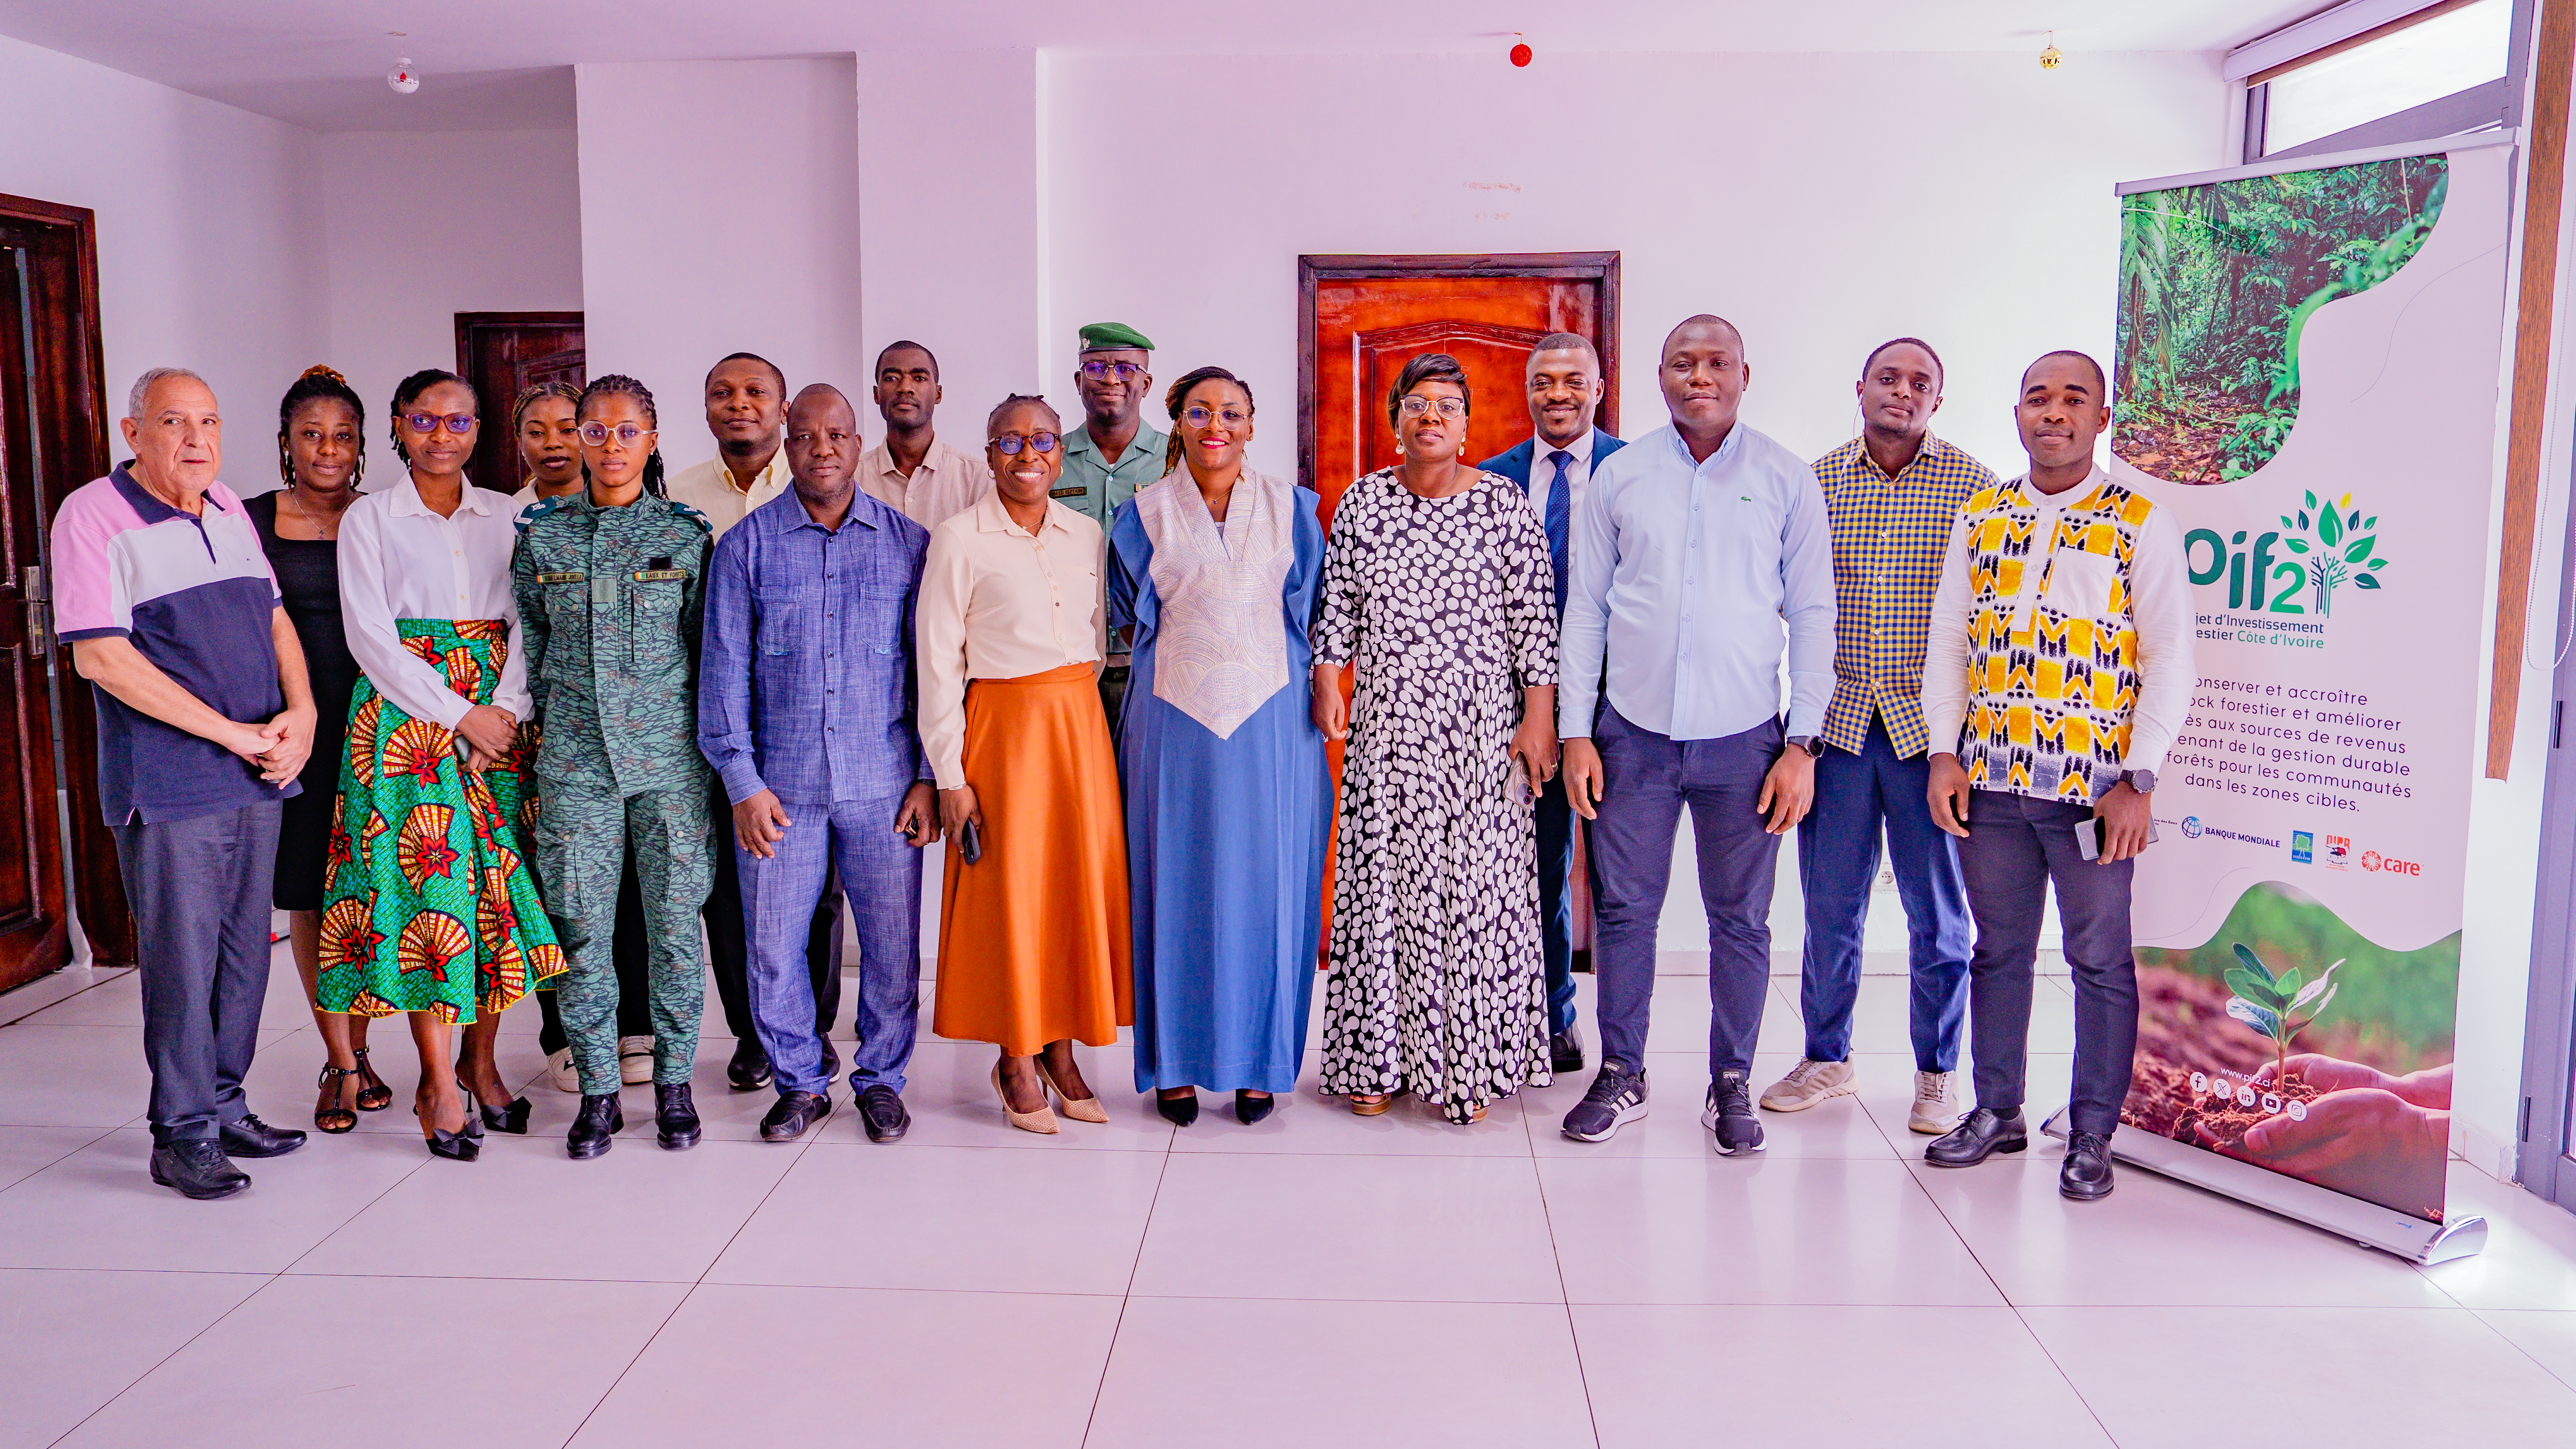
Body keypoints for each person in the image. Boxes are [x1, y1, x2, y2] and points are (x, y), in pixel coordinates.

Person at [1556, 315, 1835, 1154]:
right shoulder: (1622, 477)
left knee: (1741, 919)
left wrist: (1803, 743)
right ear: (1660, 375)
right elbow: (1585, 611)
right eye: (1684, 363)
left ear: (1746, 373)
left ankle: (1732, 1082)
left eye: (1717, 363)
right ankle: (1623, 1073)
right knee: (1624, 910)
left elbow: (1815, 615)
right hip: (1630, 736)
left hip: (1747, 739)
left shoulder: (1787, 478)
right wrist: (1577, 732)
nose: (1700, 376)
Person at [1921, 349, 2192, 1201]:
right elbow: (1952, 644)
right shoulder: (1983, 515)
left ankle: (2092, 1132)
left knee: (2099, 960)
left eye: (2074, 399)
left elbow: (2170, 656)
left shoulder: (2138, 520)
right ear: (2017, 414)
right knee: (1997, 952)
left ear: (2101, 418)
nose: (2054, 412)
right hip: (1994, 783)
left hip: (2096, 792)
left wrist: (2139, 778)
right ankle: (1997, 1109)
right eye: (2038, 397)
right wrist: (1942, 752)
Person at [53, 368, 316, 1198]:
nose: (197, 439)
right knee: (183, 957)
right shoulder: (91, 515)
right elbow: (101, 657)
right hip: (171, 781)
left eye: (209, 420)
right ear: (134, 434)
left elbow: (275, 617)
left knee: (245, 951)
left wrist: (302, 713)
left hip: (259, 767)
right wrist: (233, 733)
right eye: (174, 422)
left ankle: (228, 1104)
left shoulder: (230, 505)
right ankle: (183, 1132)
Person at [316, 368, 564, 1161]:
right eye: (426, 421)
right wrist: (457, 714)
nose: (442, 436)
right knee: (432, 892)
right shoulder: (370, 519)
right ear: (399, 425)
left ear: (478, 430)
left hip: (501, 710)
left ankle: (481, 1061)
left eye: (460, 423)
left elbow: (530, 622)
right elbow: (371, 639)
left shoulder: (512, 515)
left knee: (495, 889)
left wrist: (504, 712)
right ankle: (436, 1082)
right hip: (403, 723)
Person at [1311, 352, 1558, 1125]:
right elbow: (1338, 609)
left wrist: (1540, 719)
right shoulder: (1363, 504)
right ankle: (1375, 1059)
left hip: (1483, 737)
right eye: (1417, 403)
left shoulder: (1504, 506)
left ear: (1467, 424)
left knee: (1475, 897)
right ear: (1395, 420)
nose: (1431, 417)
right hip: (1389, 733)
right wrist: (1327, 679)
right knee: (1384, 892)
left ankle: (1470, 1064)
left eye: (1447, 405)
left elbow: (1534, 625)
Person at [700, 384, 942, 1145]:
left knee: (892, 946)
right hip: (782, 790)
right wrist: (742, 784)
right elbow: (723, 675)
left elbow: (934, 672)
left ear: (857, 441)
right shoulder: (746, 547)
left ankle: (881, 1080)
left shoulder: (909, 544)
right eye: (805, 436)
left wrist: (929, 778)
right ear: (786, 441)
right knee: (773, 944)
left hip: (886, 787)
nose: (823, 448)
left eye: (836, 434)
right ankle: (799, 1080)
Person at [1764, 339, 1993, 1136]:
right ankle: (1828, 1057)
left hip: (1933, 740)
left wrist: (1962, 747)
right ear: (1861, 387)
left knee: (1940, 918)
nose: (1902, 392)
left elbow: (1986, 626)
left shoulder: (1975, 489)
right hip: (1839, 730)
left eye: (1920, 383)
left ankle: (1938, 1075)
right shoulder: (1814, 482)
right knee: (1831, 908)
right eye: (1889, 378)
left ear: (1939, 399)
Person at [1111, 367, 1328, 1127]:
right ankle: (1174, 1065)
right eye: (1200, 412)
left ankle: (1259, 1066)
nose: (1216, 426)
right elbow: (1123, 616)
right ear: (1175, 421)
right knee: (1175, 885)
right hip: (1172, 720)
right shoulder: (1141, 514)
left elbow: (1312, 614)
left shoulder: (1295, 509)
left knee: (1268, 886)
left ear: (1252, 423)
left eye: (1231, 413)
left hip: (1273, 721)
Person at [514, 375, 719, 1158]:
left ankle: (674, 1085)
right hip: (576, 764)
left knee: (672, 930)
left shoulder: (686, 534)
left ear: (653, 438)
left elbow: (706, 653)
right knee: (579, 931)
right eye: (591, 431)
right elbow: (531, 648)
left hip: (668, 764)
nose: (607, 446)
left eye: (625, 431)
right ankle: (598, 1089)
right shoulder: (544, 536)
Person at [918, 394, 1132, 1134]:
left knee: (1070, 888)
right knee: (1013, 892)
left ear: (1058, 450)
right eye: (1011, 441)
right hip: (1003, 731)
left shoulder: (1085, 533)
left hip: (1077, 725)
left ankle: (1062, 1047)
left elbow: (1099, 634)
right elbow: (939, 662)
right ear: (988, 453)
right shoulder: (959, 538)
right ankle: (1015, 1053)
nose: (1029, 454)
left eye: (1043, 439)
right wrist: (950, 774)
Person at [664, 352, 847, 1094]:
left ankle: (815, 1029)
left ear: (783, 414)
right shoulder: (679, 498)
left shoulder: (814, 482)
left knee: (820, 894)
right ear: (706, 410)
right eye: (723, 394)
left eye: (756, 394)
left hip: (803, 728)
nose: (739, 405)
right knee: (734, 892)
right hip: (711, 723)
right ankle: (754, 1033)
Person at [247, 365, 392, 1134]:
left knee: (363, 888)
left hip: (379, 730)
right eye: (312, 435)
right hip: (294, 728)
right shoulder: (249, 521)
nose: (328, 450)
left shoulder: (386, 519)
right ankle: (341, 1060)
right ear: (285, 444)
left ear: (363, 447)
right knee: (308, 893)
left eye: (343, 436)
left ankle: (363, 1048)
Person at [1476, 333, 1625, 1078]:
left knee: (1621, 878)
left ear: (1600, 387)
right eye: (1544, 382)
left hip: (1623, 705)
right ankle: (1552, 1016)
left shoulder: (1638, 470)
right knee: (1533, 866)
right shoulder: (1494, 480)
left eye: (1573, 380)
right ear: (1527, 390)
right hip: (1522, 705)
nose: (1558, 394)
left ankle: (1624, 1048)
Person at [510, 379, 658, 1095]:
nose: (557, 443)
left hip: (639, 744)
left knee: (631, 887)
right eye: (537, 431)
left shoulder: (662, 527)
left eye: (568, 427)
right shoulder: (520, 529)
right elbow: (528, 636)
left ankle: (634, 1027)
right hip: (549, 736)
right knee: (562, 891)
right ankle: (566, 1035)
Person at [1061, 322, 1167, 726]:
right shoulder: (1048, 458)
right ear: (1078, 380)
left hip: (1150, 657)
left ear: (1147, 382)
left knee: (1143, 786)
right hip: (1072, 658)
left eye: (1125, 368)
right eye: (1096, 368)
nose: (1110, 379)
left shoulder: (1177, 461)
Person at [859, 341, 992, 531]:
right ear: (876, 394)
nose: (905, 387)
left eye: (919, 378)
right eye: (891, 378)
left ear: (938, 394)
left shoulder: (976, 479)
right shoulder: (853, 479)